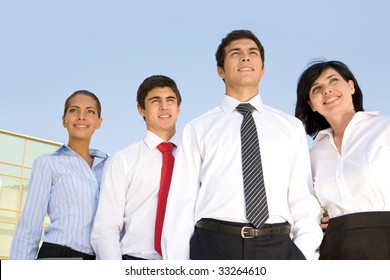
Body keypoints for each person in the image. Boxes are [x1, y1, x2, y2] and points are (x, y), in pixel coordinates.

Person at [162, 29, 323, 260]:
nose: (245, 57)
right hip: (212, 246)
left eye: (253, 53)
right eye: (235, 53)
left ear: (263, 68)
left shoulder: (291, 127)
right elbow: (181, 203)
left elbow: (302, 198)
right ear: (220, 71)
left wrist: (301, 253)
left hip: (277, 247)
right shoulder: (198, 129)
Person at [295, 60, 390, 259]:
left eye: (333, 81)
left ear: (351, 86)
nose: (327, 90)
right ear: (311, 104)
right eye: (317, 88)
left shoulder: (385, 129)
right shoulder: (311, 156)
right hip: (336, 250)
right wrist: (319, 220)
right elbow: (305, 207)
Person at [90, 75, 182, 260]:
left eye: (170, 100)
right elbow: (105, 227)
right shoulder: (122, 160)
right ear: (141, 109)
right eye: (155, 101)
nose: (164, 107)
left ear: (178, 108)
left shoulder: (195, 157)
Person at [10, 90, 107, 260]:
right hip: (59, 255)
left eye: (90, 111)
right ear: (64, 120)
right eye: (74, 110)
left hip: (99, 260)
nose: (81, 116)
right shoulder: (48, 163)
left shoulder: (111, 166)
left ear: (99, 122)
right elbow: (30, 225)